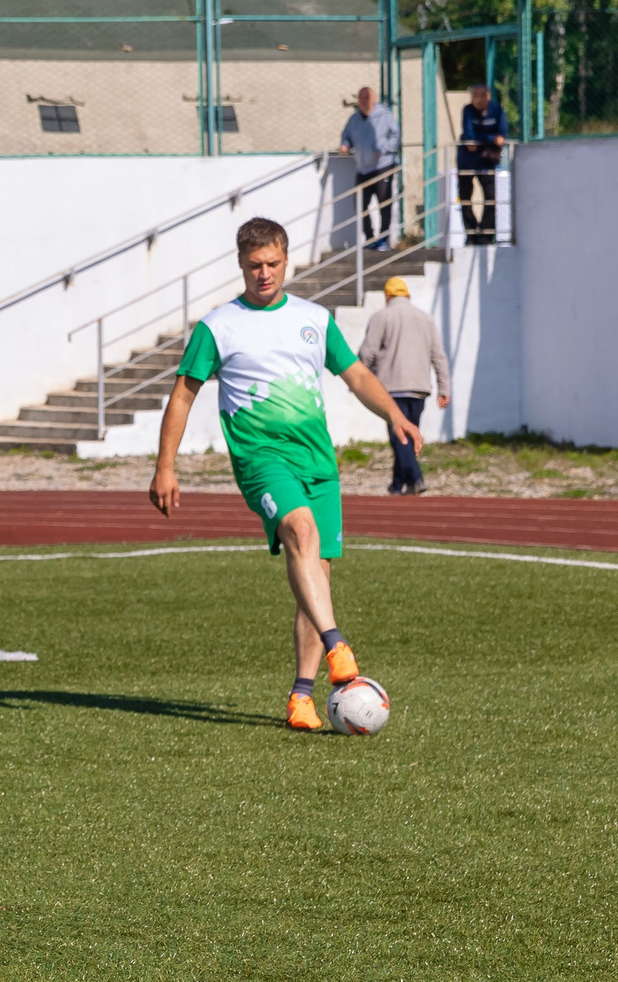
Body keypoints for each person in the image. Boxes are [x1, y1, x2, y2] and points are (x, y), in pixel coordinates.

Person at [149, 218, 421, 731]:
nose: (264, 273)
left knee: (315, 573)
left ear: (286, 259)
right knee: (300, 529)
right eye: (255, 265)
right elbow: (183, 395)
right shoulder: (218, 327)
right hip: (261, 460)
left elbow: (356, 374)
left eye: (273, 263)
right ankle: (338, 645)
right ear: (241, 264)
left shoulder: (314, 319)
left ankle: (302, 695)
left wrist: (394, 414)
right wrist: (165, 466)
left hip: (318, 462)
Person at [357, 276, 451, 496]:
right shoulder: (426, 319)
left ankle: (416, 478)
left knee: (399, 436)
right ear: (408, 295)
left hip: (391, 388)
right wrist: (444, 388)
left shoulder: (381, 317)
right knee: (409, 435)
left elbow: (367, 353)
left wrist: (360, 380)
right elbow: (438, 356)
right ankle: (398, 484)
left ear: (387, 295)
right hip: (419, 388)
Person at [337, 84, 402, 251]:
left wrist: (383, 149)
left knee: (384, 203)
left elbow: (396, 136)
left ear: (374, 99)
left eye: (367, 97)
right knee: (360, 204)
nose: (364, 101)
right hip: (363, 169)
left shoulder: (385, 115)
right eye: (361, 98)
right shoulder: (354, 119)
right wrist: (345, 145)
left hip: (383, 166)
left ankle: (384, 239)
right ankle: (370, 238)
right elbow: (346, 136)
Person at [455, 83, 507, 246]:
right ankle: (471, 234)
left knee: (491, 198)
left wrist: (486, 140)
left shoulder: (497, 110)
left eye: (481, 96)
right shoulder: (468, 110)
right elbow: (469, 137)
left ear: (488, 96)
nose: (477, 100)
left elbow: (502, 135)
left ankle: (486, 235)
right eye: (474, 96)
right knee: (465, 198)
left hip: (486, 162)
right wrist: (491, 139)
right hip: (467, 161)